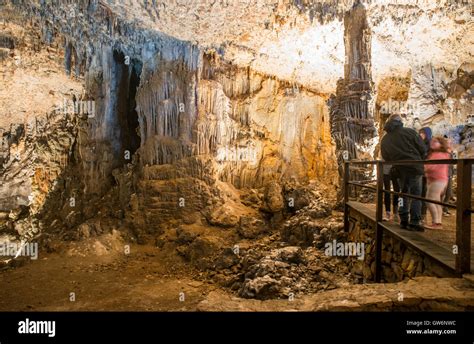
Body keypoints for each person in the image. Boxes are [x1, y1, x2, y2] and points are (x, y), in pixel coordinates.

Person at [381, 114, 426, 231]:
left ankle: (403, 219)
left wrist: (396, 161)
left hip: (399, 170)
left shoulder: (385, 139)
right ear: (400, 122)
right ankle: (415, 222)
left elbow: (386, 157)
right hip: (414, 168)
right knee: (416, 195)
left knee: (403, 193)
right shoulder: (410, 132)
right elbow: (422, 148)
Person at [424, 137, 451, 229]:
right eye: (431, 141)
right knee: (436, 201)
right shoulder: (442, 154)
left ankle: (436, 222)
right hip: (438, 179)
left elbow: (431, 167)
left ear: (441, 144)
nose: (432, 143)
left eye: (435, 142)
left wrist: (424, 167)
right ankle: (438, 222)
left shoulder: (439, 154)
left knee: (429, 200)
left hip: (437, 179)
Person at [419, 127, 432, 220]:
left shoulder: (431, 145)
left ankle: (423, 213)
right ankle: (419, 212)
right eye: (420, 133)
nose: (421, 135)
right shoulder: (420, 144)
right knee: (419, 192)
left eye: (423, 133)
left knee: (425, 192)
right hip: (420, 171)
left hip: (427, 172)